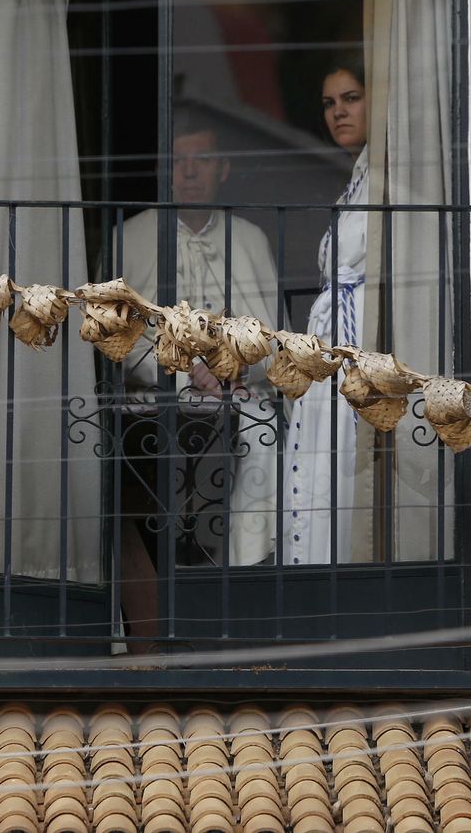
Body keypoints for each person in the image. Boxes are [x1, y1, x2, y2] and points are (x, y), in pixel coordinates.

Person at [114, 108, 280, 645]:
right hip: (151, 399)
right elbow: (113, 334)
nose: (188, 172)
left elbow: (275, 334)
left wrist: (234, 368)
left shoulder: (250, 238)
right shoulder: (130, 235)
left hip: (240, 394)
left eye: (201, 160)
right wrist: (188, 377)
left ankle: (246, 593)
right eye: (178, 162)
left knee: (265, 437)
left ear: (223, 168)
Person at [278, 58, 371, 565]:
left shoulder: (388, 173)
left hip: (354, 342)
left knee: (345, 465)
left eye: (351, 98)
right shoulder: (358, 175)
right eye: (330, 103)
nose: (338, 112)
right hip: (332, 335)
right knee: (324, 465)